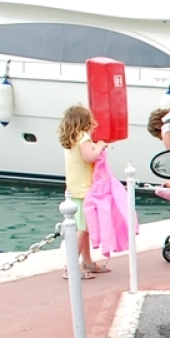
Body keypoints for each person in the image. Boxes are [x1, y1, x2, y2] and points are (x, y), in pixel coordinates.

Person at [57, 105, 111, 277]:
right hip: (84, 190)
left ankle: (87, 261)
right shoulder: (83, 137)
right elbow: (90, 156)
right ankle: (71, 267)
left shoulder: (71, 139)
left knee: (85, 226)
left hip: (74, 188)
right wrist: (100, 145)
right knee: (82, 227)